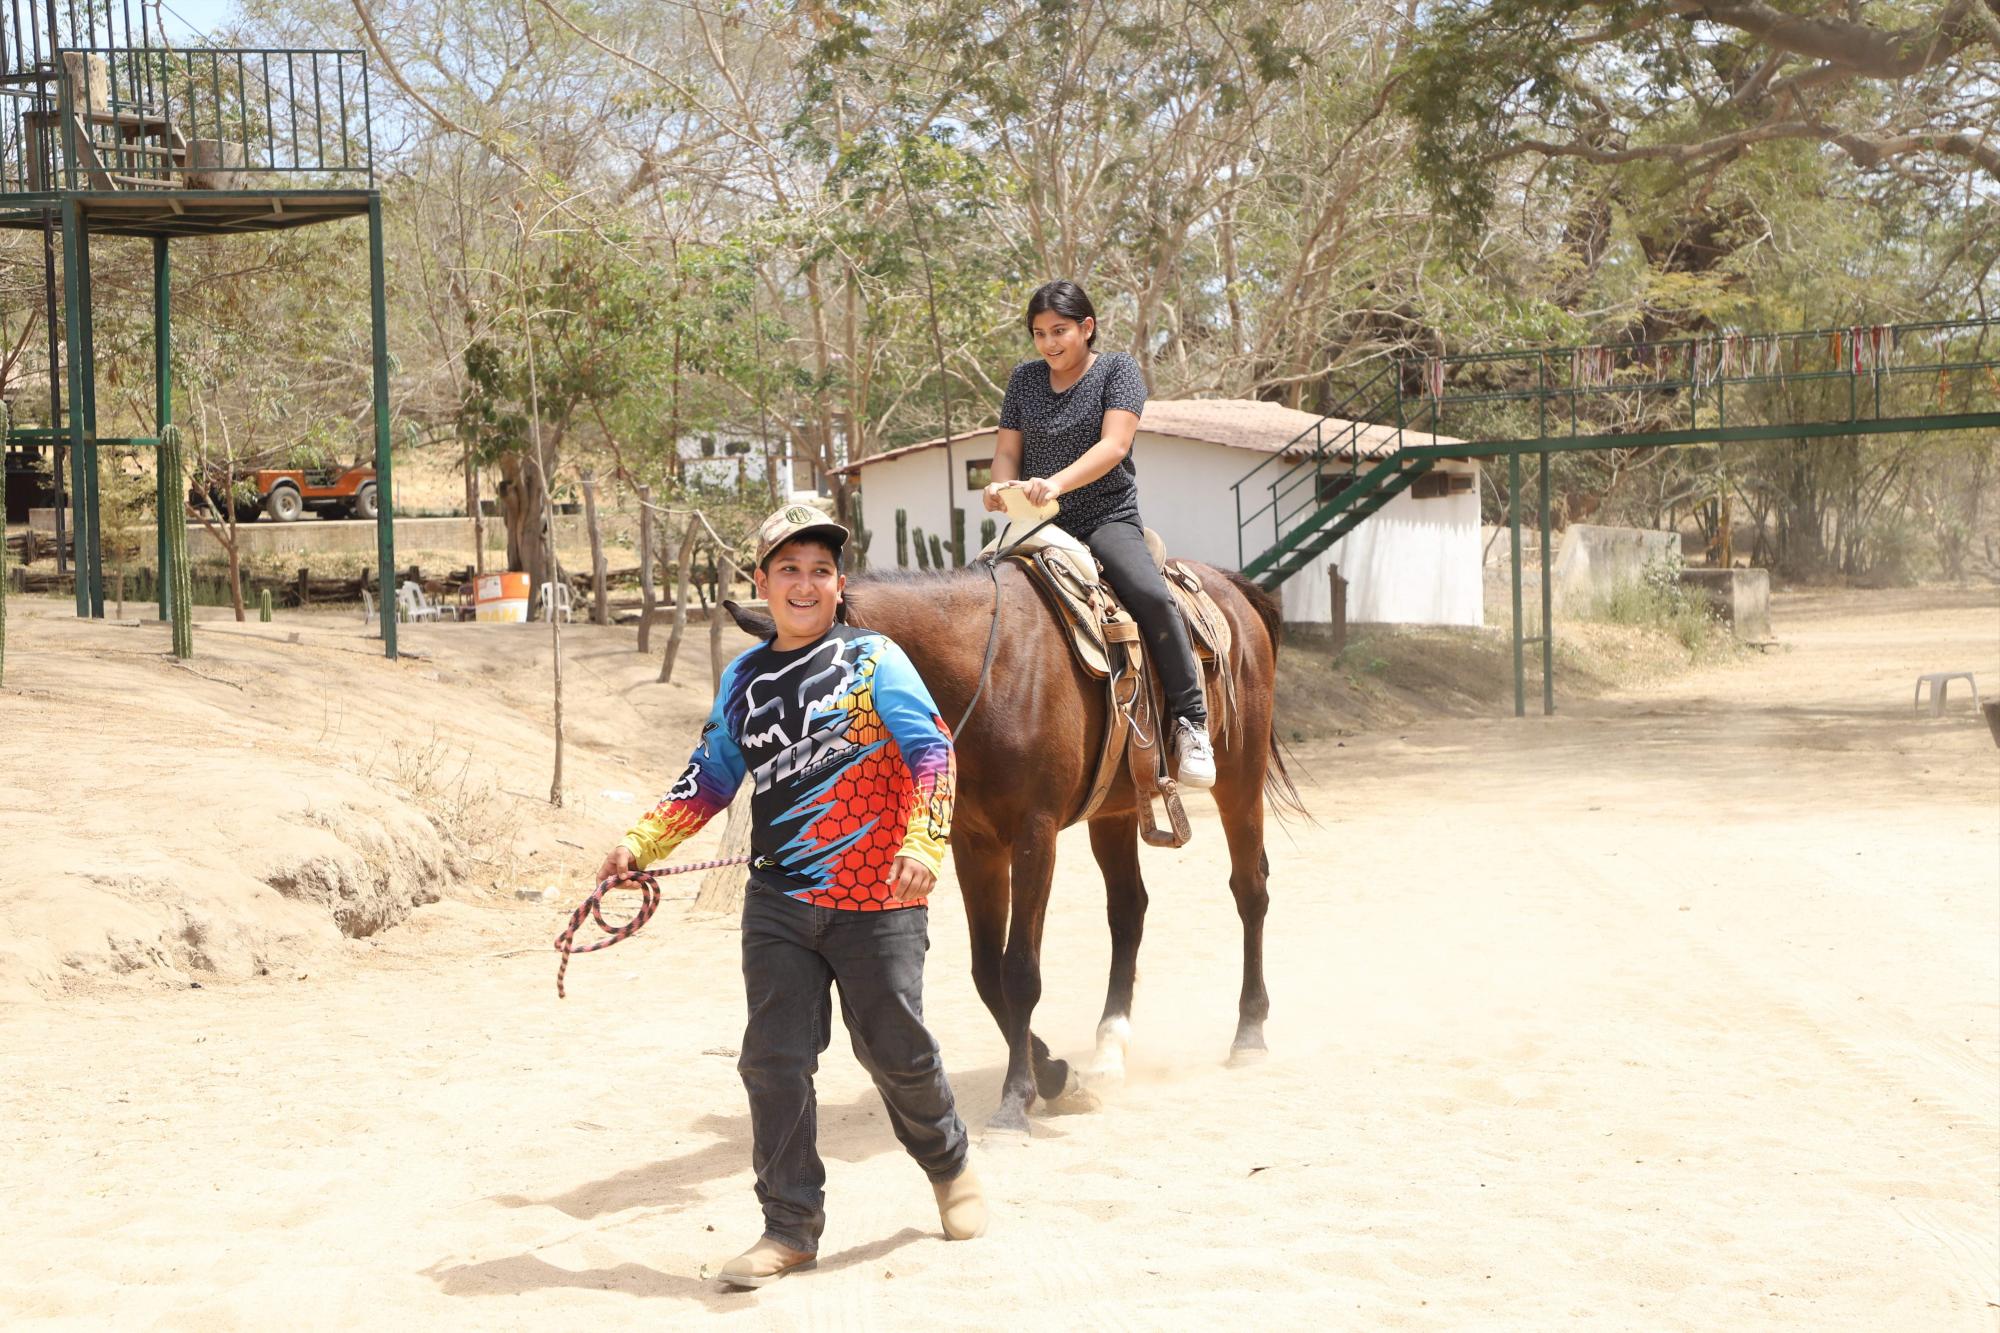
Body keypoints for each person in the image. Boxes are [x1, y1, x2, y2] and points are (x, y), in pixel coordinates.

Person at [595, 503, 986, 1289]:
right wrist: (640, 844)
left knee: (894, 1050)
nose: (804, 583)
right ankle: (788, 1226)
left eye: (820, 569)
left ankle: (950, 1163)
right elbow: (710, 777)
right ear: (761, 583)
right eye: (788, 569)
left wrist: (924, 841)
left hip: (879, 899)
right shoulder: (743, 678)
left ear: (840, 585)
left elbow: (931, 753)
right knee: (773, 1059)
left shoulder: (876, 659)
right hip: (778, 900)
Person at [985, 279, 1215, 787]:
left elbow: (1114, 446)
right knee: (979, 594)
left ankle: (1192, 722)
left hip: (1103, 518)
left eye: (1060, 331)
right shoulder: (1024, 381)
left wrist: (1055, 483)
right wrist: (1001, 485)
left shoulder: (1119, 370)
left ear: (1086, 328)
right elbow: (1007, 451)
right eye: (1039, 333)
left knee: (1152, 596)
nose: (1050, 343)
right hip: (1036, 524)